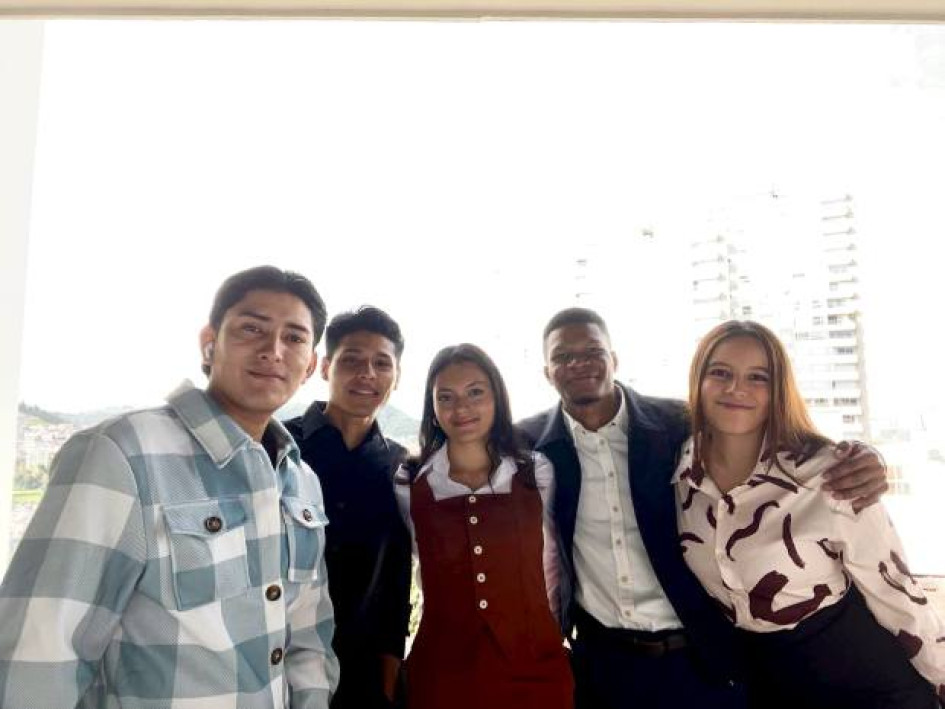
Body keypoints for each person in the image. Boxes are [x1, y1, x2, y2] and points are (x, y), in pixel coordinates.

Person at [0, 265, 339, 709]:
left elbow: (308, 634)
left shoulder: (301, 481)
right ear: (208, 342)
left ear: (311, 364)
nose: (273, 350)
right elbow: (40, 649)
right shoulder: (122, 453)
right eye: (251, 328)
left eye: (294, 338)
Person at [517, 306, 890, 709]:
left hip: (700, 656)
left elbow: (765, 436)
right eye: (562, 357)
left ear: (614, 359)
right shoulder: (529, 445)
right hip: (605, 663)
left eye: (592, 351)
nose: (578, 364)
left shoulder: (678, 423)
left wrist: (860, 455)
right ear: (546, 372)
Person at [674, 319, 945, 708]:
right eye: (720, 373)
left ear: (778, 390)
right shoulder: (680, 474)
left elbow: (895, 592)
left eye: (758, 377)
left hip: (863, 679)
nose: (736, 388)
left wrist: (940, 675)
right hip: (765, 681)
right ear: (698, 381)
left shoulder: (830, 474)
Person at [394, 344, 573, 709]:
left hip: (535, 667)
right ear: (432, 409)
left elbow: (555, 561)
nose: (462, 408)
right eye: (447, 397)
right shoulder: (409, 481)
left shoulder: (536, 472)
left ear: (497, 398)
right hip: (443, 672)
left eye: (476, 392)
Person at [284, 306, 412, 709]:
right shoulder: (279, 446)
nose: (367, 374)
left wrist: (390, 676)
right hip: (278, 658)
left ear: (397, 376)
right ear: (324, 367)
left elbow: (396, 573)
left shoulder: (399, 465)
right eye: (352, 360)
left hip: (361, 668)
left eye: (381, 363)